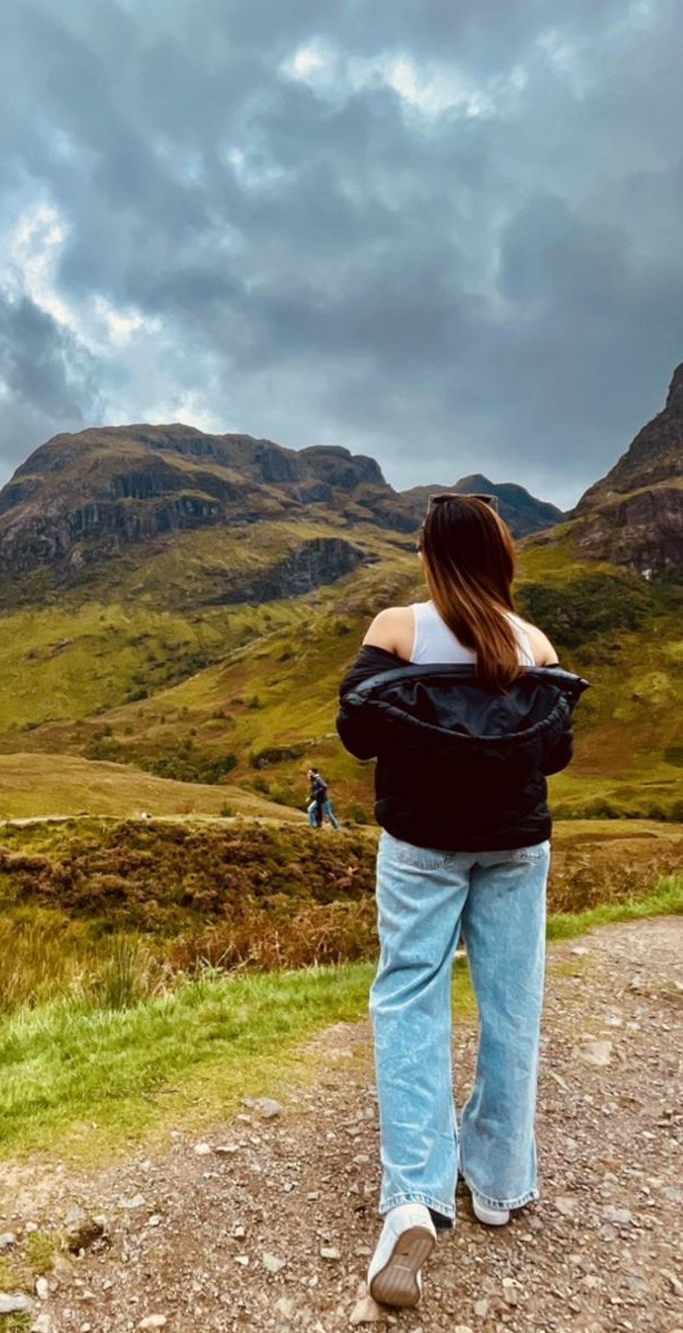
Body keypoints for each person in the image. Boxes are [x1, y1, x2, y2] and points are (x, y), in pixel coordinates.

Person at [335, 493, 588, 1310]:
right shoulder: (535, 641)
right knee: (513, 1006)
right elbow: (557, 749)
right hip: (516, 843)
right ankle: (499, 1185)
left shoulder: (400, 627)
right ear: (501, 554)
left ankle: (414, 1194)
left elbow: (356, 731)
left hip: (420, 845)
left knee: (412, 996)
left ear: (428, 555)